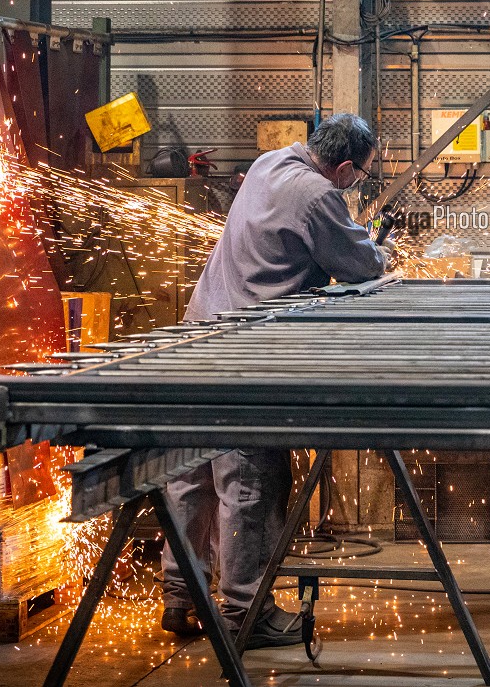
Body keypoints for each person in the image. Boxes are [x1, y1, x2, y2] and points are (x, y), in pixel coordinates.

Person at [160, 113, 390, 644]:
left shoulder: (269, 162)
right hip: (247, 354)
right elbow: (362, 267)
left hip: (199, 336)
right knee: (250, 481)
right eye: (361, 175)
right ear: (347, 167)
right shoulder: (319, 195)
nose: (357, 184)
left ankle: (180, 596)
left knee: (190, 472)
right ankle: (246, 614)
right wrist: (381, 249)